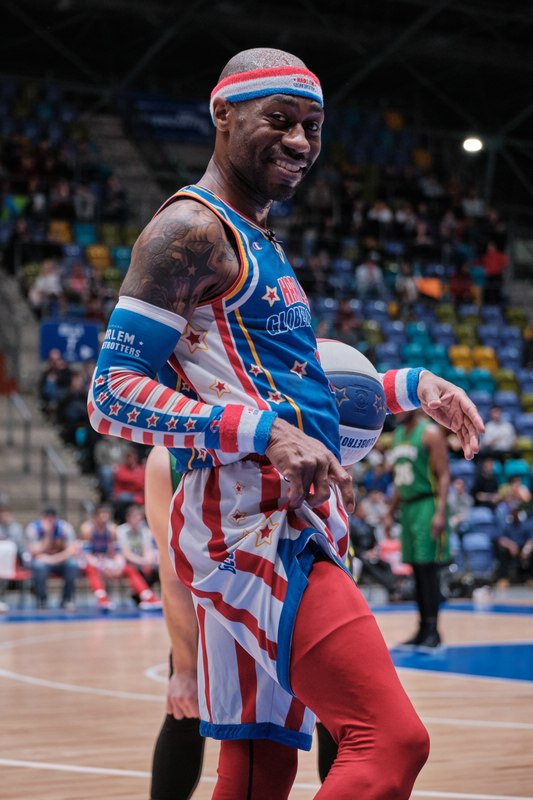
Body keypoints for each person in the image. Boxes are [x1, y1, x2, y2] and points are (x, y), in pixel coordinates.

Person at [88, 48, 483, 799]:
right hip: (252, 524)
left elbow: (293, 387)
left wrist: (408, 386)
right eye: (279, 120)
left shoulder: (255, 237)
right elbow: (111, 392)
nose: (300, 142)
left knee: (257, 767)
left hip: (268, 515)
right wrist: (261, 432)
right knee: (390, 741)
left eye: (312, 126)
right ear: (222, 114)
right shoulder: (189, 228)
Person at [145, 447, 204, 800]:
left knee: (336, 727)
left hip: (291, 606)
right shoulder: (166, 458)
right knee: (184, 714)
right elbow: (173, 574)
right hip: (216, 616)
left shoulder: (298, 424)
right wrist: (184, 669)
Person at [385, 409, 451, 648]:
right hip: (407, 506)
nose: (396, 411)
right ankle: (422, 629)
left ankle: (433, 629)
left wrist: (440, 511)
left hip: (427, 503)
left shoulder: (431, 432)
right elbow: (398, 478)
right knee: (415, 569)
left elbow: (444, 475)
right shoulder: (398, 434)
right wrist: (390, 512)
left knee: (427, 568)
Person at [79, 504, 161, 611]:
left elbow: (116, 551)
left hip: (106, 560)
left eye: (106, 515)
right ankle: (102, 598)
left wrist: (117, 565)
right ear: (95, 516)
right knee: (90, 568)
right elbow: (85, 553)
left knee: (129, 569)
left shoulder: (112, 529)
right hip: (91, 560)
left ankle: (147, 596)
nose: (105, 518)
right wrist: (101, 566)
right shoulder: (87, 529)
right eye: (102, 515)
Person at [25, 507, 79, 610]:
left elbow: (72, 550)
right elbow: (34, 551)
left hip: (59, 560)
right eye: (47, 517)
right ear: (41, 518)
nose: (50, 520)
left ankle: (67, 600)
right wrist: (47, 534)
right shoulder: (33, 528)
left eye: (52, 517)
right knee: (38, 566)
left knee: (72, 564)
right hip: (42, 562)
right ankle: (42, 600)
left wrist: (53, 559)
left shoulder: (65, 527)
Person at [116, 504, 159, 595]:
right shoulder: (121, 531)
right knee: (132, 569)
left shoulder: (144, 530)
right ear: (128, 518)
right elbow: (126, 553)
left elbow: (147, 548)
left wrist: (147, 561)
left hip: (142, 562)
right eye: (135, 517)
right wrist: (142, 562)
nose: (139, 519)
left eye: (140, 517)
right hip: (128, 563)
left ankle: (158, 597)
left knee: (157, 569)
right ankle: (146, 596)